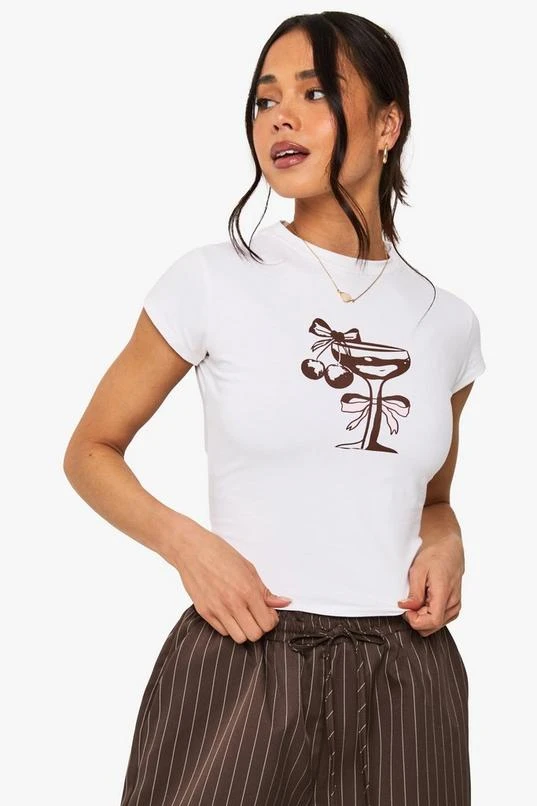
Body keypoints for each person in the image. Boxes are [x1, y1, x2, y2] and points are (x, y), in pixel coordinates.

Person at [63, 11, 486, 806]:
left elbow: (431, 499)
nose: (280, 118)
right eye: (265, 100)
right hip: (244, 655)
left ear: (386, 125)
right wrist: (189, 548)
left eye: (314, 93)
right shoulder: (211, 280)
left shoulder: (446, 322)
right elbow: (91, 450)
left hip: (408, 677)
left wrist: (448, 541)